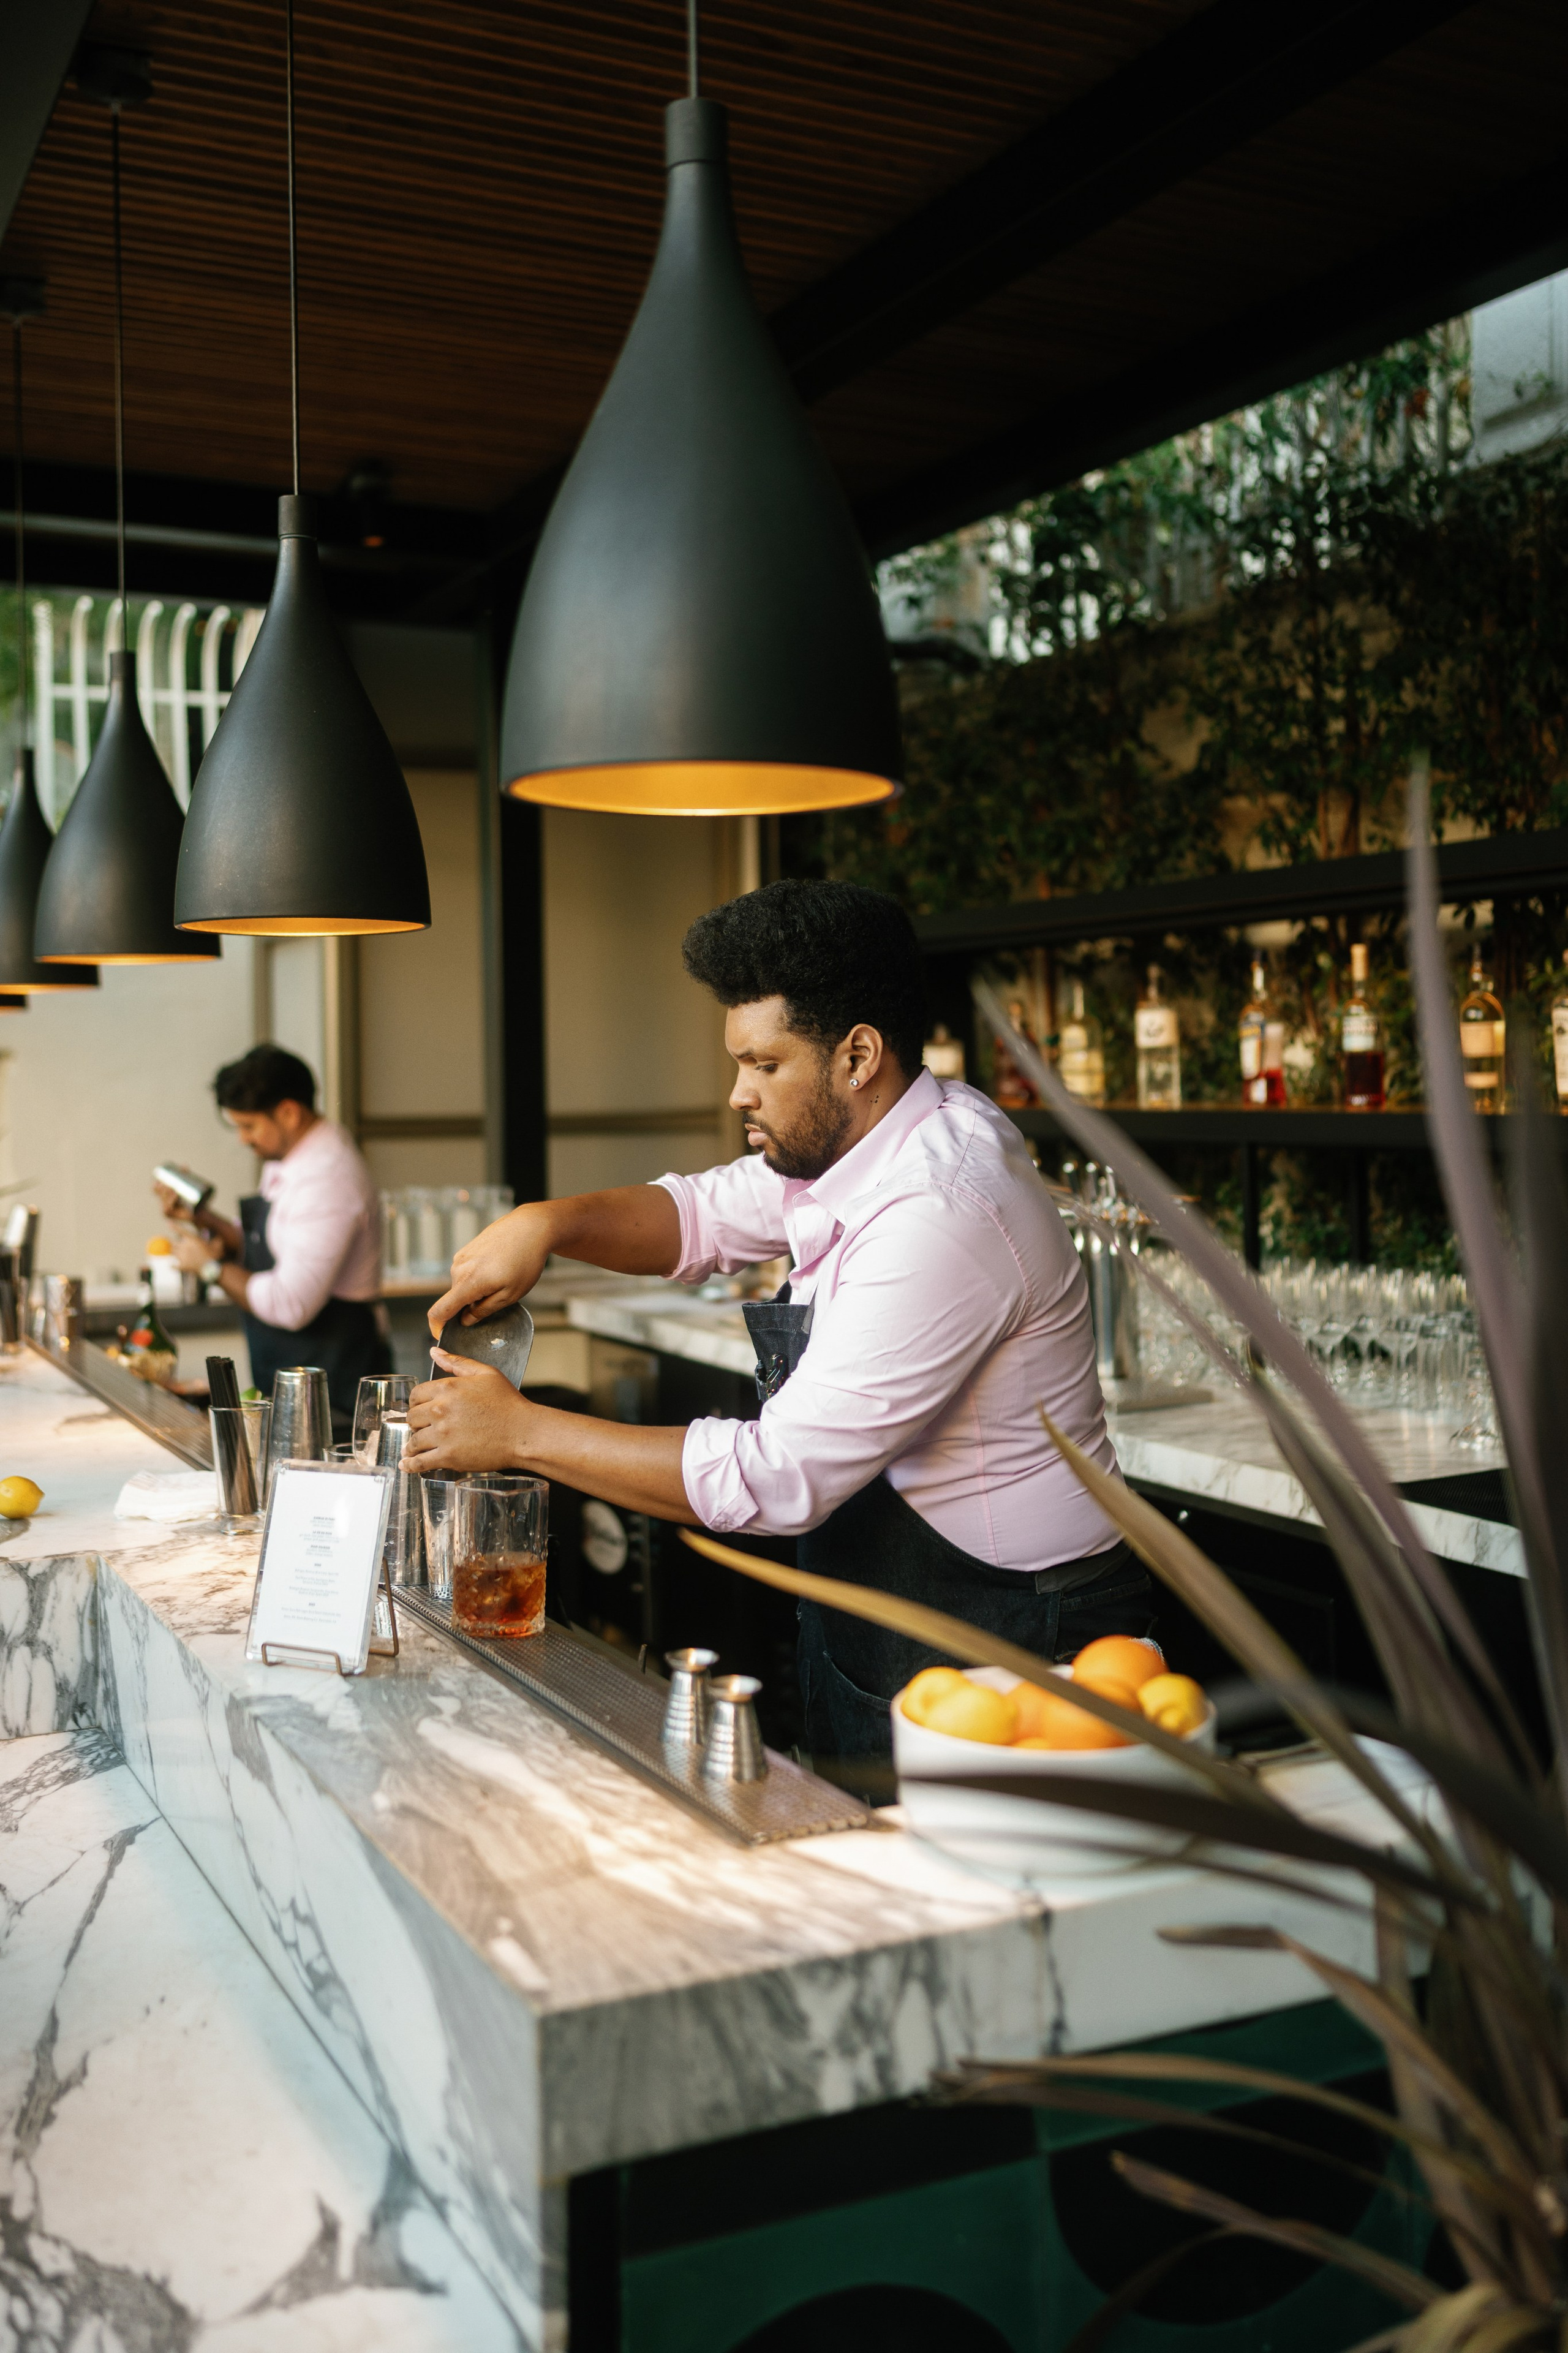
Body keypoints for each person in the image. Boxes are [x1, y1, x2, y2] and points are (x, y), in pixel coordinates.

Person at [406, 880, 1147, 1764]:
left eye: (763, 1065)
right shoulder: (868, 1142)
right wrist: (548, 1224)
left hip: (1012, 1631)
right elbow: (705, 1215)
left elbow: (778, 1475)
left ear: (858, 1056)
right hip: (896, 1612)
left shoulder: (939, 1207)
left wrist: (521, 1435)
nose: (737, 1094)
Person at [157, 1043, 390, 1431]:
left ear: (288, 1112)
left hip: (338, 1392)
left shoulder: (328, 1178)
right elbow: (271, 1244)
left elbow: (291, 1303)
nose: (242, 1140)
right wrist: (204, 1219)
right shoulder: (291, 1159)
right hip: (302, 1384)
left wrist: (211, 1268)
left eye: (249, 1127)